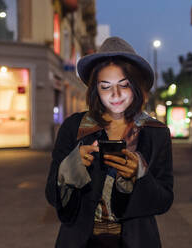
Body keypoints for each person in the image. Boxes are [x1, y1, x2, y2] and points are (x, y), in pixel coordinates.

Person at [45, 37, 174, 248]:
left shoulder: (155, 132)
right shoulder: (74, 128)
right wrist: (71, 168)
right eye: (106, 87)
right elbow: (52, 195)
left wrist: (140, 175)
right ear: (96, 89)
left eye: (124, 85)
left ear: (137, 86)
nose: (116, 95)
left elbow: (164, 200)